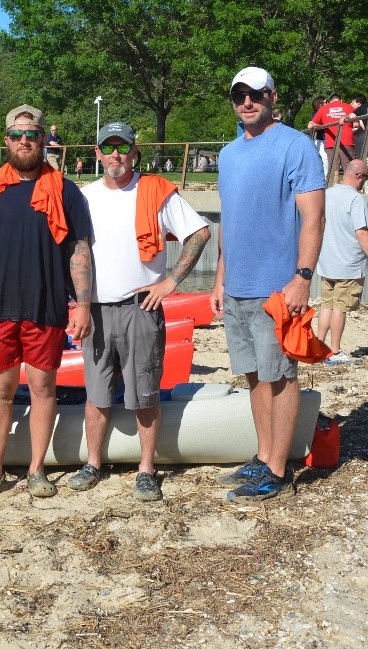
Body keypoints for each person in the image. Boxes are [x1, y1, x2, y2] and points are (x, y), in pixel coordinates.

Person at [68, 122, 211, 501]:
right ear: (96, 153)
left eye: (122, 147)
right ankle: (93, 463)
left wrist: (169, 283)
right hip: (96, 309)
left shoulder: (158, 192)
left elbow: (199, 233)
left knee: (145, 392)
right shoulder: (84, 197)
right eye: (107, 147)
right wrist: (79, 304)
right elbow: (77, 252)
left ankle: (146, 469)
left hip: (140, 308)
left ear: (134, 151)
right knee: (96, 393)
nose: (115, 154)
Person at [0, 104, 92, 498]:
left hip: (47, 306)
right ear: (6, 140)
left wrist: (83, 304)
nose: (24, 141)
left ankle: (37, 469)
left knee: (42, 388)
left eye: (32, 135)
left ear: (43, 140)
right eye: (17, 135)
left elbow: (79, 250)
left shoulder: (66, 190)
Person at [212, 67, 325, 503]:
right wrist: (220, 279)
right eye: (238, 95)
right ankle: (263, 455)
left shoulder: (295, 146)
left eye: (255, 94)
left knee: (281, 376)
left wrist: (302, 277)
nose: (247, 102)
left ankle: (277, 471)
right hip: (237, 286)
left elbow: (313, 218)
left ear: (272, 96)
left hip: (278, 286)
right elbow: (230, 221)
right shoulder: (228, 153)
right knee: (255, 375)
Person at [315, 159, 368, 365]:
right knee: (340, 307)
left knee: (327, 304)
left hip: (327, 261)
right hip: (348, 264)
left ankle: (319, 346)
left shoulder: (327, 195)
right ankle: (335, 351)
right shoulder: (356, 200)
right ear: (359, 177)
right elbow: (362, 234)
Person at [309, 93, 356, 180]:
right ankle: (349, 190)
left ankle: (335, 189)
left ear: (330, 101)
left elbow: (311, 124)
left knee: (334, 170)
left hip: (331, 142)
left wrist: (320, 124)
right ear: (341, 100)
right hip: (347, 141)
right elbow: (356, 122)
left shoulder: (323, 108)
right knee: (349, 168)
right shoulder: (348, 107)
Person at [310, 96, 329, 178]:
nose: (327, 104)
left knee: (326, 159)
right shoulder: (315, 114)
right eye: (325, 102)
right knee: (324, 159)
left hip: (327, 139)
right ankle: (324, 178)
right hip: (320, 139)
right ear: (320, 104)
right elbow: (311, 124)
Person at [349, 94, 366, 162]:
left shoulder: (361, 108)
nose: (351, 104)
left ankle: (359, 162)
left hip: (364, 136)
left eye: (352, 102)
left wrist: (343, 118)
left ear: (358, 104)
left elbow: (350, 117)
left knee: (358, 137)